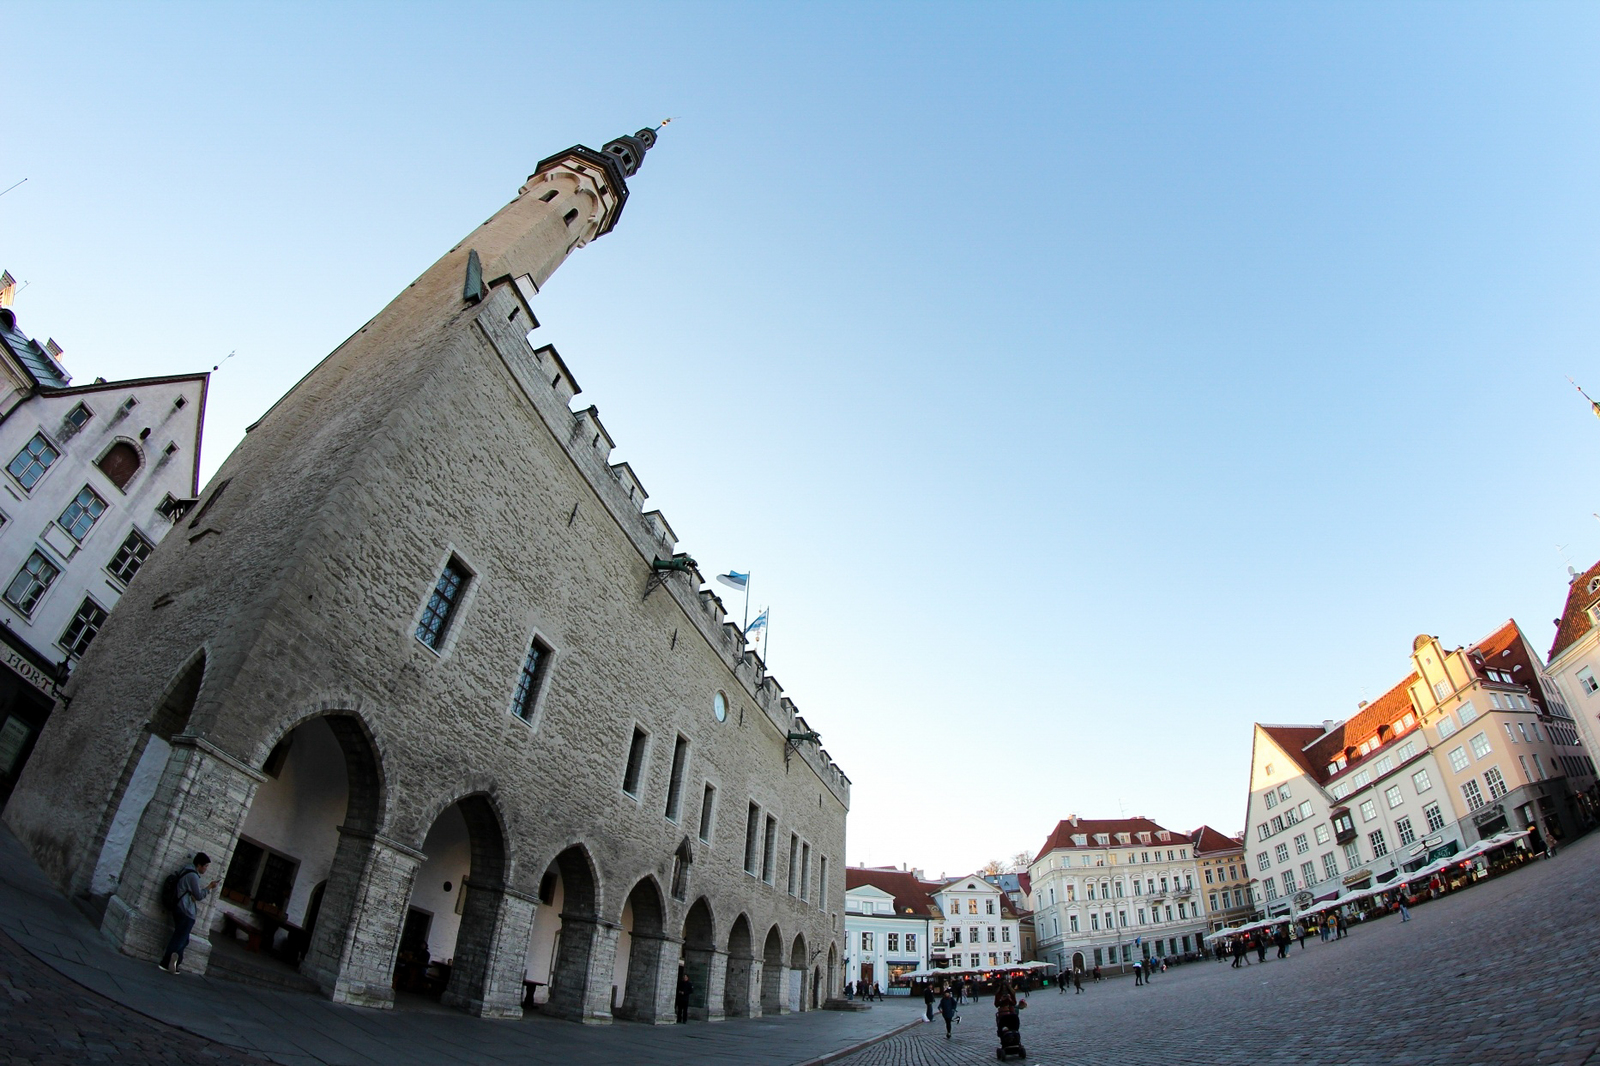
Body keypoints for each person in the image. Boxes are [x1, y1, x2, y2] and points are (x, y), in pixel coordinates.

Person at [159, 852, 218, 975]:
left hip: (179, 907)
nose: (206, 869)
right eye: (205, 866)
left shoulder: (186, 870)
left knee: (183, 939)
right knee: (180, 938)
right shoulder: (193, 876)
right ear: (199, 865)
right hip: (186, 910)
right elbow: (199, 895)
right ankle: (166, 962)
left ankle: (175, 963)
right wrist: (209, 887)